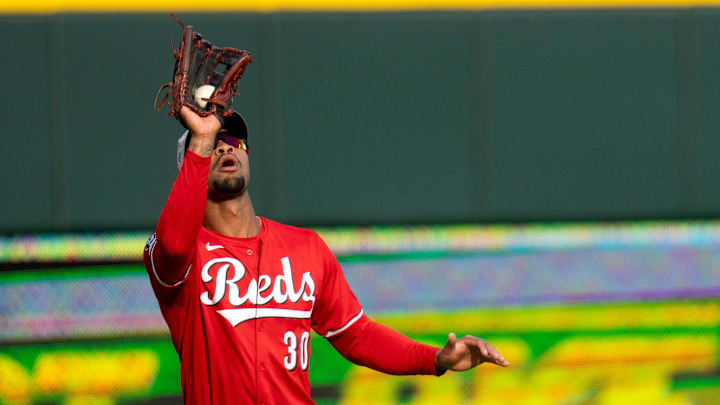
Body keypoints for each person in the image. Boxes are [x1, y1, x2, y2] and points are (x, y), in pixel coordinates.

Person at [144, 106, 509, 404]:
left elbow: (357, 335)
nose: (226, 147)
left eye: (234, 140)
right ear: (189, 165)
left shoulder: (305, 248)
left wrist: (434, 358)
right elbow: (174, 244)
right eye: (213, 144)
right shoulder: (182, 255)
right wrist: (201, 139)